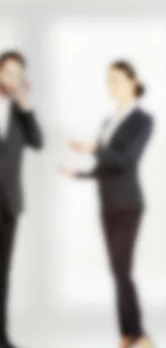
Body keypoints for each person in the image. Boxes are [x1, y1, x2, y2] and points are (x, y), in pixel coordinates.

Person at [60, 60, 153, 348]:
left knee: (122, 269)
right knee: (116, 270)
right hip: (107, 203)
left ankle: (137, 333)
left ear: (131, 82)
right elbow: (105, 165)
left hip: (128, 204)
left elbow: (126, 161)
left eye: (116, 79)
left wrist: (93, 148)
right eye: (108, 80)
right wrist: (79, 173)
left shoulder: (142, 120)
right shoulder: (106, 122)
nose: (110, 85)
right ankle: (127, 333)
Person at [0, 51, 43, 348]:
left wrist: (26, 108)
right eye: (9, 72)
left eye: (19, 75)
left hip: (7, 205)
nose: (13, 79)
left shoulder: (19, 113)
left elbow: (37, 142)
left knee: (2, 274)